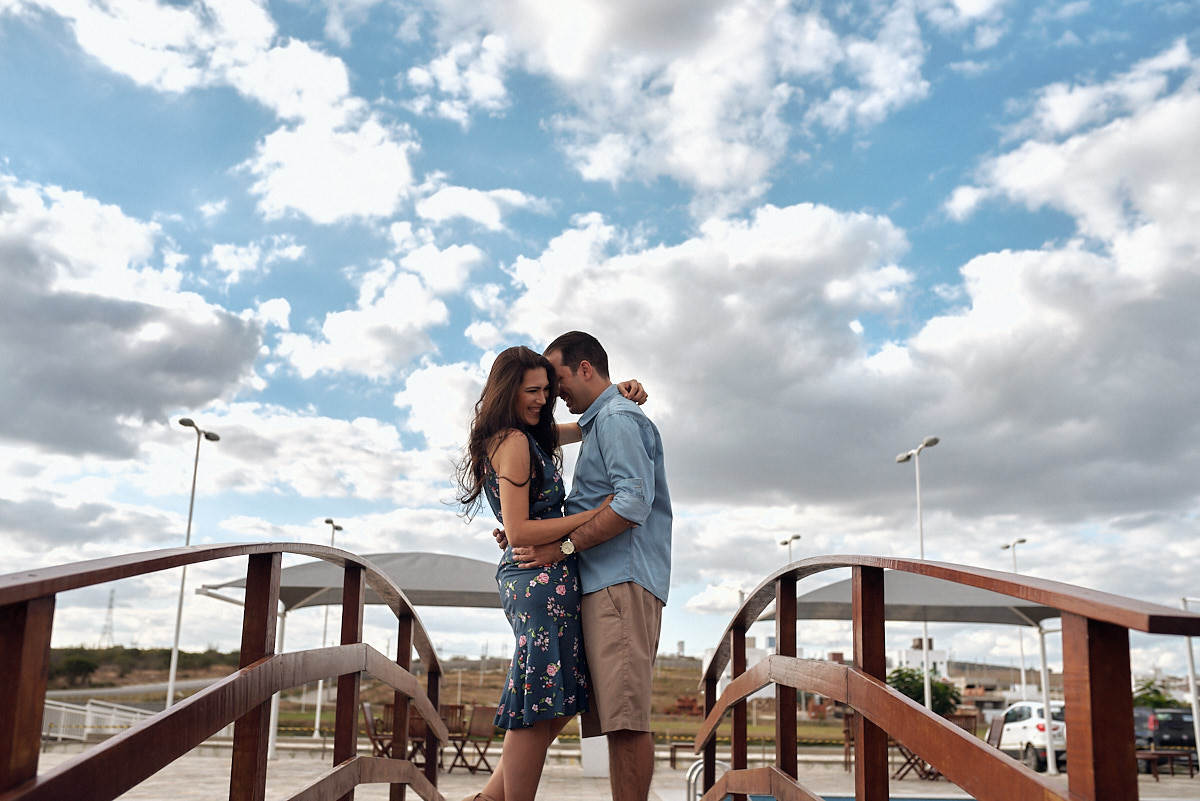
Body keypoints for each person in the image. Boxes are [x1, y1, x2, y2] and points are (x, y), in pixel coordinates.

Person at [456, 345, 646, 801]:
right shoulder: (516, 442)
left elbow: (582, 426)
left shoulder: (523, 436)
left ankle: (485, 799)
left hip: (543, 574)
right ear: (508, 391)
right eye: (533, 391)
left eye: (547, 390)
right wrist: (596, 512)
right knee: (538, 705)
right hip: (540, 578)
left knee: (557, 699)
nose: (543, 399)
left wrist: (615, 392)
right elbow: (520, 528)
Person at [508, 332, 672, 801]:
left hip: (619, 581)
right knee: (608, 716)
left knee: (624, 721)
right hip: (604, 581)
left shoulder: (617, 419)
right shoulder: (605, 419)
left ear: (584, 369)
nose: (553, 394)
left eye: (557, 380)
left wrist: (561, 547)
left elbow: (633, 503)